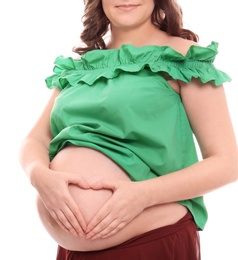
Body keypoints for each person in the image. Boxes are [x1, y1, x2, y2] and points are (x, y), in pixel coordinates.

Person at [19, 0, 238, 259]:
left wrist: (143, 195)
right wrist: (38, 174)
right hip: (75, 250)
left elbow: (227, 162)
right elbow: (36, 139)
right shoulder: (81, 66)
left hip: (151, 241)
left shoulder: (184, 58)